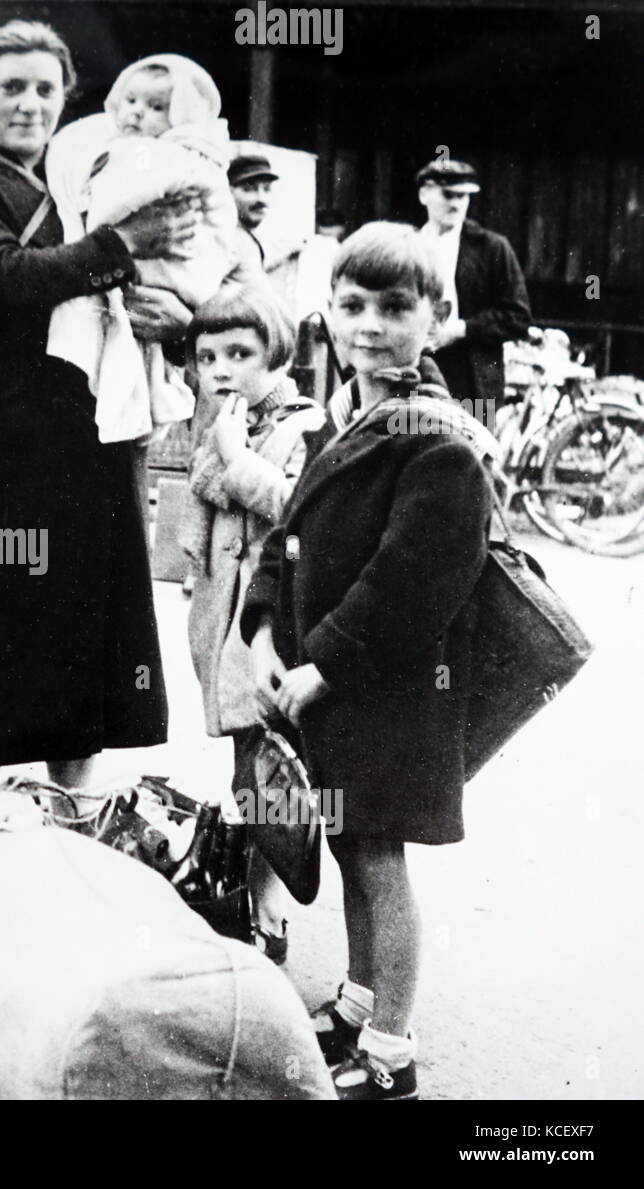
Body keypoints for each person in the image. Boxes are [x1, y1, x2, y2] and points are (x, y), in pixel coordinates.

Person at [0, 20, 198, 800]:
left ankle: (77, 822)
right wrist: (122, 242)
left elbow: (148, 289)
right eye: (11, 86)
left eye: (46, 88)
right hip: (6, 440)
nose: (30, 104)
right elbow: (3, 277)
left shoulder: (85, 172)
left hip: (96, 439)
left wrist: (175, 319)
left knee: (87, 644)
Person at [241, 223, 494, 1099]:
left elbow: (412, 583)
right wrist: (266, 631)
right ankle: (357, 999)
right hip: (329, 679)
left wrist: (323, 667)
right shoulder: (345, 411)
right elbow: (288, 532)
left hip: (391, 689)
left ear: (437, 317)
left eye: (396, 307)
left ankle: (391, 1053)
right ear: (326, 313)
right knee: (351, 839)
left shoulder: (439, 437)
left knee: (380, 857)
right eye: (353, 305)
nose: (371, 324)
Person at [178, 284, 325, 965]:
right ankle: (252, 891)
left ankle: (269, 903)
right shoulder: (219, 426)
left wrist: (237, 458)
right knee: (247, 758)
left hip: (269, 623)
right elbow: (195, 505)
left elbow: (296, 507)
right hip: (221, 618)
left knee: (268, 763)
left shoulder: (303, 423)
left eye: (240, 352)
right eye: (209, 356)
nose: (223, 369)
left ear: (279, 354)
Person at [44, 53, 237, 441]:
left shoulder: (170, 156)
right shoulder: (108, 144)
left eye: (156, 107)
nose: (136, 113)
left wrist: (102, 219)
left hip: (166, 284)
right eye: (130, 101)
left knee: (132, 368)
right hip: (126, 298)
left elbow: (115, 204)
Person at [416, 158, 531, 410]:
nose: (456, 204)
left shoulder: (491, 248)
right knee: (414, 442)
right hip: (416, 370)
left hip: (471, 375)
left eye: (464, 197)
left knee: (471, 447)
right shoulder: (407, 246)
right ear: (424, 194)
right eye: (449, 195)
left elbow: (517, 317)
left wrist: (459, 329)